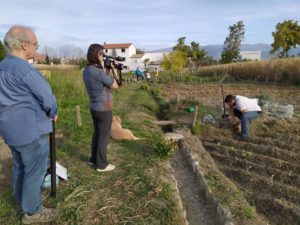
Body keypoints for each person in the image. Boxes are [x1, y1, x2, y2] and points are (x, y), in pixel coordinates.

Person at [0, 25, 58, 224]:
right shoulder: (24, 69)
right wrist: (53, 111)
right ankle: (32, 212)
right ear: (24, 45)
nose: (36, 48)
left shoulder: (2, 67)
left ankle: (20, 199)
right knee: (35, 170)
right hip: (29, 130)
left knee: (20, 166)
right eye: (35, 44)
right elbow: (47, 97)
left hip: (9, 129)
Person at [83, 44, 119, 172]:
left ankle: (93, 160)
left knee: (97, 134)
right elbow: (115, 85)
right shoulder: (98, 72)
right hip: (104, 108)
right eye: (102, 54)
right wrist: (112, 69)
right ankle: (102, 165)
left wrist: (105, 67)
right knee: (104, 136)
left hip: (94, 107)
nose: (103, 57)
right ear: (97, 55)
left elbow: (100, 82)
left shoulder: (87, 70)